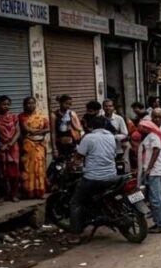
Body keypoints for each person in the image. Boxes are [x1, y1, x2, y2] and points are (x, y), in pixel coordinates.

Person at [67, 115, 119, 244]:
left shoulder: (88, 138)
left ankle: (75, 235)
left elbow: (79, 157)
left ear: (90, 126)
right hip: (112, 176)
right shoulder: (111, 137)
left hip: (93, 178)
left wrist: (71, 164)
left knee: (75, 203)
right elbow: (114, 154)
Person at [138, 113, 161, 234]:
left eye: (141, 127)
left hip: (155, 171)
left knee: (156, 199)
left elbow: (156, 150)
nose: (139, 129)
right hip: (157, 170)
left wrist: (149, 168)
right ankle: (159, 222)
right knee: (157, 198)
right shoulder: (152, 136)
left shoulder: (153, 136)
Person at [18, 97, 49, 199]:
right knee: (28, 168)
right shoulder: (22, 116)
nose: (30, 105)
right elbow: (26, 129)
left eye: (32, 103)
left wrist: (35, 132)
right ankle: (28, 192)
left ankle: (40, 192)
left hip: (40, 144)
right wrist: (40, 131)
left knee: (40, 168)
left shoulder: (41, 115)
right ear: (24, 105)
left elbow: (48, 128)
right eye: (28, 103)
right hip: (28, 145)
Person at [0, 96, 21, 202]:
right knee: (2, 173)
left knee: (14, 173)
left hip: (13, 147)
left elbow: (18, 132)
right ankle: (3, 194)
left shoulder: (13, 117)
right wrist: (0, 145)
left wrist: (10, 144)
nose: (6, 106)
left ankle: (13, 194)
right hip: (0, 147)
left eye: (8, 104)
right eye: (3, 104)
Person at [51, 94, 82, 160]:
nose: (68, 106)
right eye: (66, 104)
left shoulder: (70, 113)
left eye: (70, 104)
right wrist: (54, 148)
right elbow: (53, 133)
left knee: (71, 162)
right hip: (60, 143)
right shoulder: (54, 115)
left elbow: (74, 126)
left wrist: (82, 130)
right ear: (60, 103)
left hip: (70, 141)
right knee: (60, 164)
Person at [103, 99, 130, 174]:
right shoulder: (100, 118)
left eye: (110, 106)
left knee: (118, 169)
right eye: (106, 106)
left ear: (113, 107)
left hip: (117, 150)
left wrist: (113, 137)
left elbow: (125, 134)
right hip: (104, 150)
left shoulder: (119, 119)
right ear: (103, 107)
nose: (108, 108)